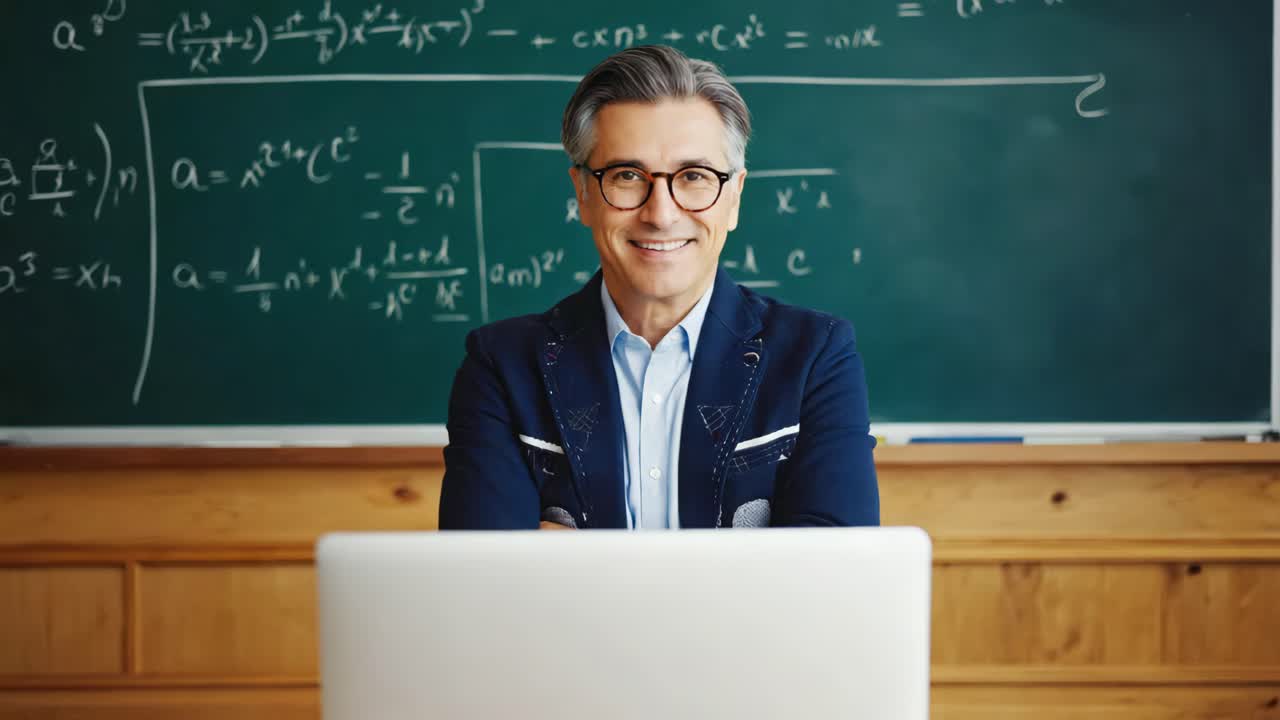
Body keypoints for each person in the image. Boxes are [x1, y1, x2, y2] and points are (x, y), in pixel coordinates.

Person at [439, 45, 878, 530]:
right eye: (627, 176)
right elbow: (486, 582)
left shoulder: (816, 357)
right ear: (583, 194)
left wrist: (566, 552)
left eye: (694, 176)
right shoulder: (501, 366)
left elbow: (832, 577)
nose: (661, 213)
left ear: (733, 197)